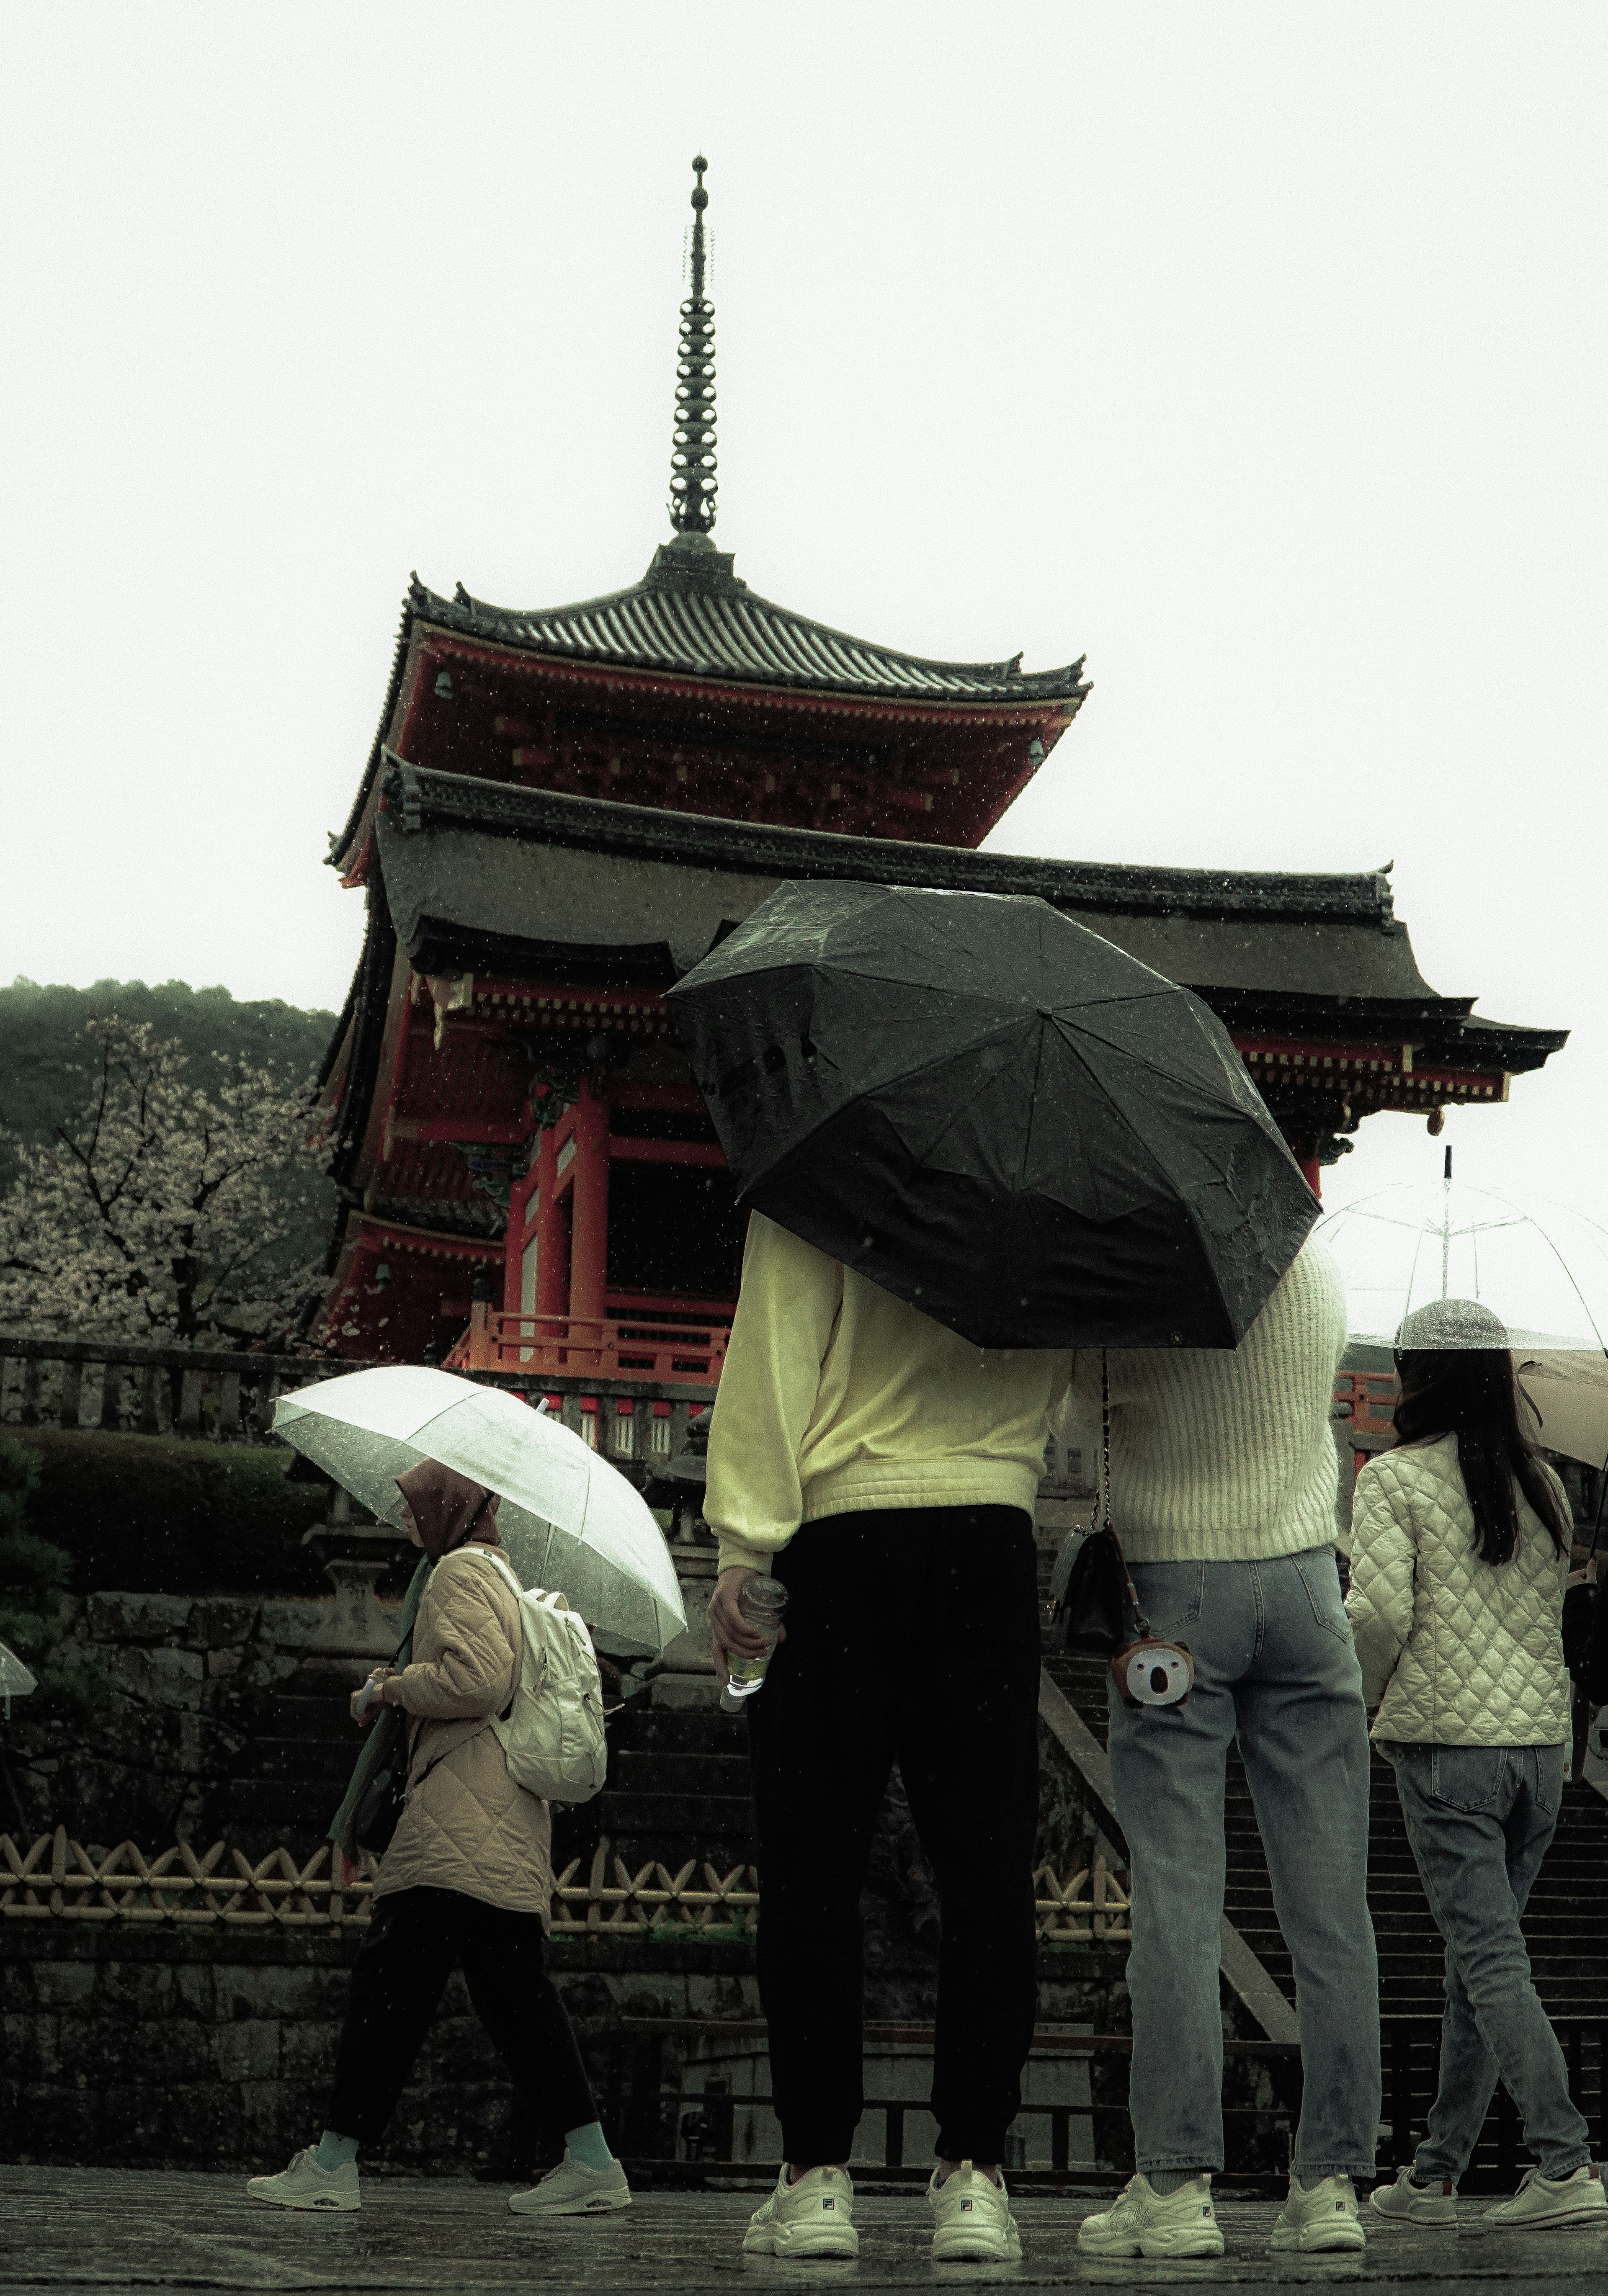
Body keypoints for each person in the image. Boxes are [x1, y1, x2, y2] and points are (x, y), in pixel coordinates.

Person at [704, 1210, 1072, 2265]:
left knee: (815, 1859)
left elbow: (776, 1350)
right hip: (993, 1535)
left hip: (843, 1533)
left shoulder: (833, 1170)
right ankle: (975, 2174)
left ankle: (819, 2173)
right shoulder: (1042, 1180)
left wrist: (743, 1541)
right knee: (990, 1868)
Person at [1072, 1232, 1379, 2261]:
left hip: (1175, 1591)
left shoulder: (1133, 1272)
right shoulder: (1314, 1270)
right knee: (1333, 1907)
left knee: (1178, 1896)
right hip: (1305, 1586)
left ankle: (1174, 2183)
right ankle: (1332, 2181)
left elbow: (1071, 1409)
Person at [246, 1459, 629, 2217]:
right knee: (507, 1995)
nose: (411, 1521)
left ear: (451, 1509)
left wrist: (388, 1688)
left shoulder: (457, 1573)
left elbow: (474, 1683)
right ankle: (589, 2161)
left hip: (459, 1816)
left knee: (394, 1990)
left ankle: (333, 2163)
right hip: (501, 1816)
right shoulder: (505, 1578)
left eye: (419, 1507)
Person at [1347, 1299, 1605, 2231]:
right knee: (1479, 1966)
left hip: (1450, 1749)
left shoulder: (1394, 1482)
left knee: (1489, 1962)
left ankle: (1565, 2160)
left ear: (1418, 1376)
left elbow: (1375, 1618)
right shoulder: (1545, 1484)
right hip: (1540, 1755)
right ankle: (1438, 2172)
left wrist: (1366, 1696)